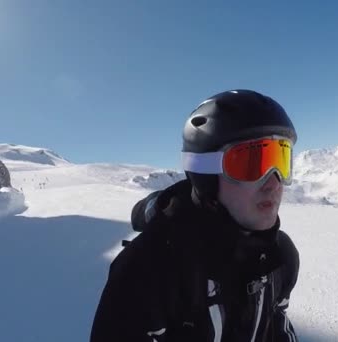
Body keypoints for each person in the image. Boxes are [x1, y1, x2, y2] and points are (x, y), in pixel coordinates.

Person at [90, 89, 300, 342]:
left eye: (281, 159)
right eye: (251, 164)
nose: (273, 183)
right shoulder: (147, 273)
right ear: (206, 175)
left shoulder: (281, 256)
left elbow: (276, 326)